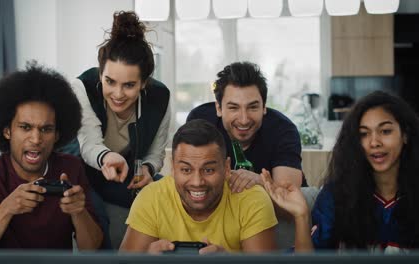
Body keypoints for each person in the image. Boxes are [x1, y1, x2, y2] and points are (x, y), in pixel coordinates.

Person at [0, 63, 103, 251]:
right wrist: (7, 208)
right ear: (7, 131)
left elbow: (92, 249)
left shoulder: (70, 168)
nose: (36, 139)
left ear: (57, 135)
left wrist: (79, 212)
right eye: (25, 127)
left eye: (46, 129)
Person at [262, 91, 419, 252]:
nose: (374, 142)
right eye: (364, 134)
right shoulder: (335, 196)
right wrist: (301, 216)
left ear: (405, 134)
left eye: (385, 131)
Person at [66, 11, 170, 249]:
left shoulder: (160, 97)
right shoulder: (81, 87)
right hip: (80, 171)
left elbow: (157, 152)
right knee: (96, 217)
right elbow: (89, 143)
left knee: (168, 195)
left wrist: (147, 169)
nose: (118, 94)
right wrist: (107, 157)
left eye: (130, 85)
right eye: (109, 82)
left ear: (144, 83)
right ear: (100, 73)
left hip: (122, 174)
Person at [120, 119, 277, 253]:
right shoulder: (151, 198)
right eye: (186, 170)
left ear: (227, 167)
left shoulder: (251, 198)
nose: (197, 182)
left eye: (208, 170)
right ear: (173, 168)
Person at [187, 62, 303, 194]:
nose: (244, 120)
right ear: (219, 108)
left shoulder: (283, 129)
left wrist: (259, 181)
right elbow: (190, 177)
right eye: (233, 108)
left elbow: (289, 194)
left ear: (264, 107)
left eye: (253, 107)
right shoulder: (201, 122)